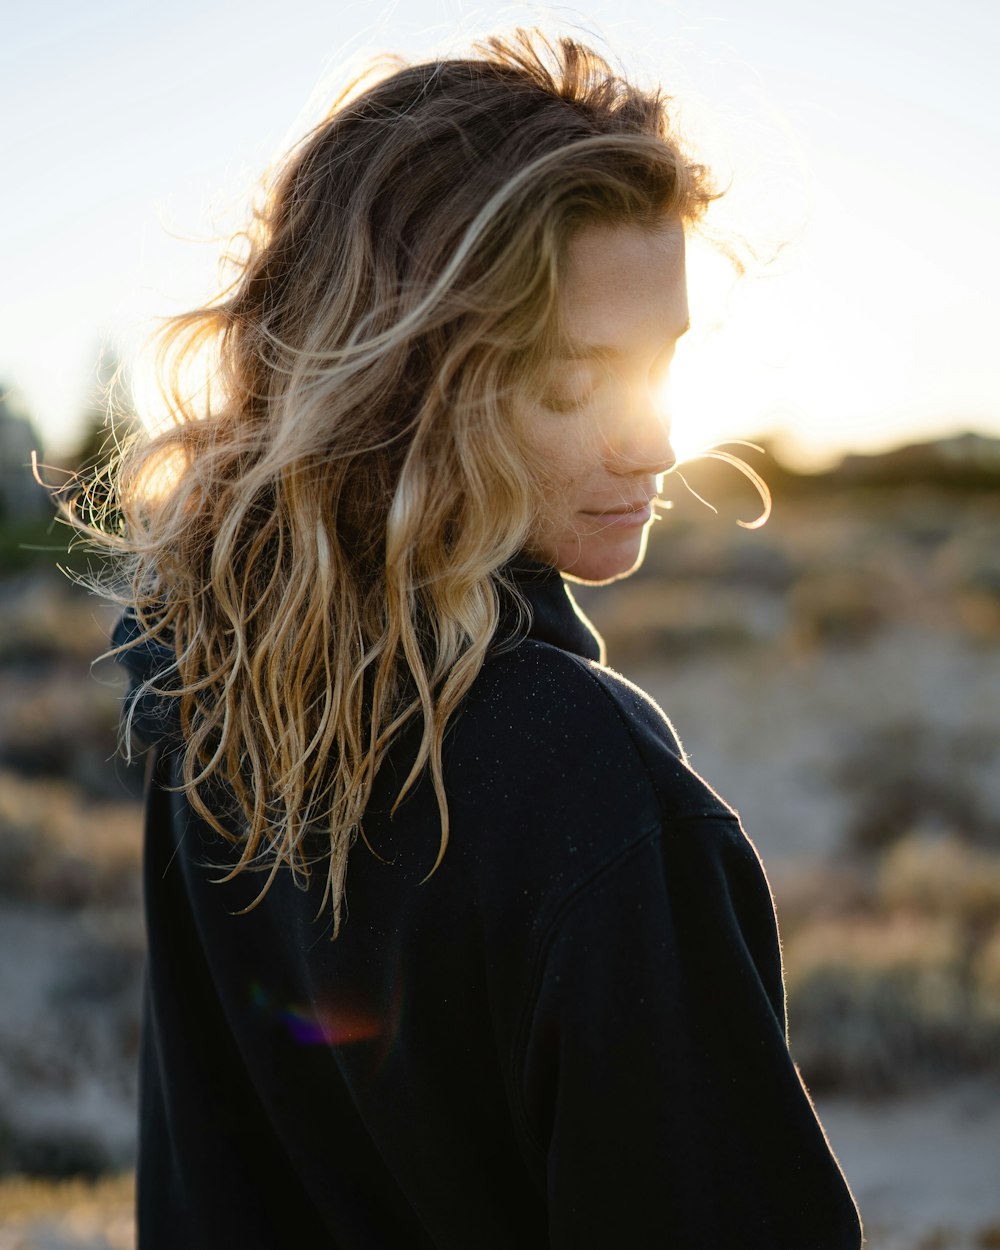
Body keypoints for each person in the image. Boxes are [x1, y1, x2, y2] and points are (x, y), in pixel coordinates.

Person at [95, 29, 862, 1249]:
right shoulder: (592, 789)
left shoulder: (204, 676)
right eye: (571, 382)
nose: (652, 441)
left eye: (662, 363)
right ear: (409, 381)